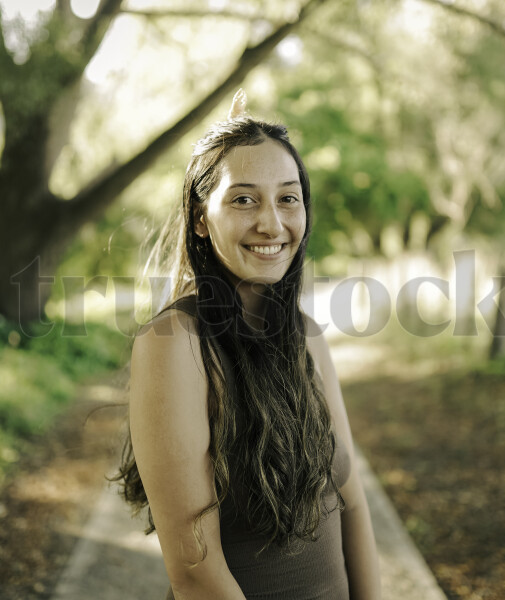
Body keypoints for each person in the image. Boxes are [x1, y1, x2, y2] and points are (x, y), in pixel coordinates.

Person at [115, 94, 381, 599]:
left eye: (288, 197)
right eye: (243, 199)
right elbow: (195, 569)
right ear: (199, 218)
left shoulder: (307, 336)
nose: (271, 223)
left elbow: (353, 504)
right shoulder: (174, 345)